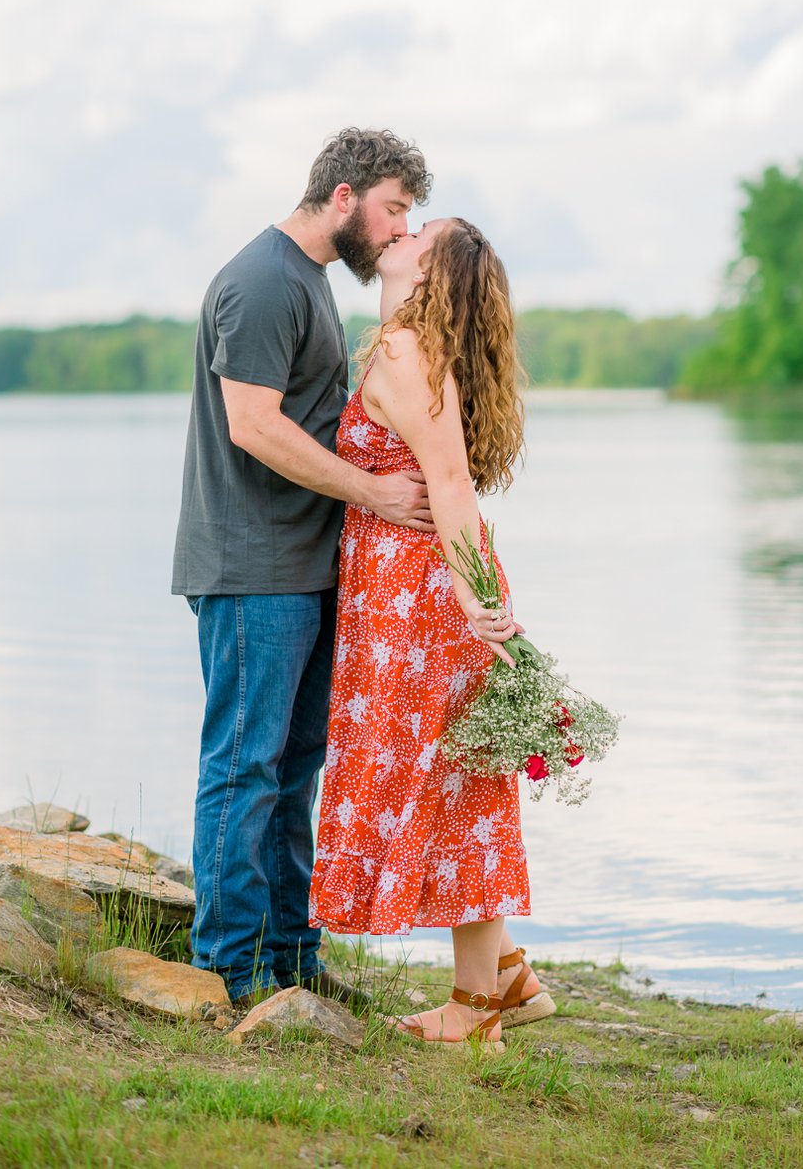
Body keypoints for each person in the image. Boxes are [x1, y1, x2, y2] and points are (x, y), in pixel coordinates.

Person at [172, 128, 433, 1004]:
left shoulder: (310, 281)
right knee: (245, 767)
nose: (401, 230)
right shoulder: (259, 280)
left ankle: (293, 962)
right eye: (395, 208)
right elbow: (253, 425)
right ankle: (230, 971)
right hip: (252, 570)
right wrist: (375, 492)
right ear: (347, 195)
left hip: (307, 568)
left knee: (295, 769)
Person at [309, 217, 556, 1048]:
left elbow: (449, 482)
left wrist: (470, 595)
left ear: (434, 270)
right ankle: (508, 982)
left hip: (419, 604)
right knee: (456, 782)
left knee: (451, 786)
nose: (404, 230)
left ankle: (474, 1010)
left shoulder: (409, 351)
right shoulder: (407, 344)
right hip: (408, 598)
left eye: (424, 231)